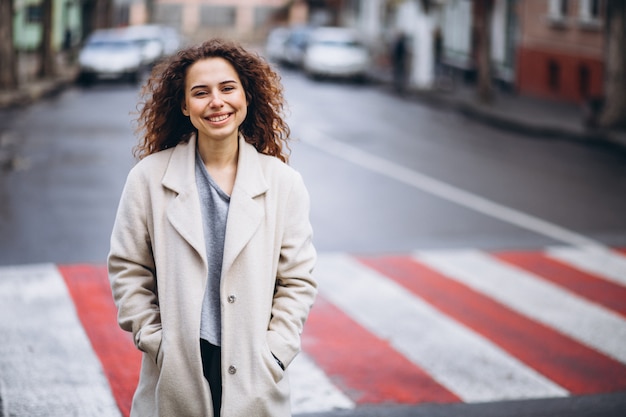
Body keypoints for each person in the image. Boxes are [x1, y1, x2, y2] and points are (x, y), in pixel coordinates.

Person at [107, 38, 318, 417]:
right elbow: (128, 269)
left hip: (256, 368)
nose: (216, 102)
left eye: (227, 88)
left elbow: (297, 280)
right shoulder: (148, 179)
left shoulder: (283, 183)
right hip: (177, 369)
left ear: (247, 96)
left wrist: (276, 350)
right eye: (200, 93)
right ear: (185, 106)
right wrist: (156, 340)